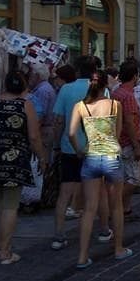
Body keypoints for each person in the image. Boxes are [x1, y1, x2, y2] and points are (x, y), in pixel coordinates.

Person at [0, 71, 45, 265]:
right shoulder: (25, 105)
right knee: (11, 204)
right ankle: (6, 252)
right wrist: (42, 157)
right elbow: (34, 137)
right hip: (13, 160)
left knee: (2, 200)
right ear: (24, 87)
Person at [69, 71, 133, 269]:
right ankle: (118, 248)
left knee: (89, 209)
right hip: (112, 157)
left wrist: (79, 150)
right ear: (106, 85)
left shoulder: (80, 106)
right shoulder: (115, 105)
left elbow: (71, 133)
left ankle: (82, 256)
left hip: (91, 158)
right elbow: (117, 131)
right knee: (116, 207)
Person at [50, 55, 99, 251]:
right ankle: (102, 230)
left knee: (65, 193)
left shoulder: (66, 89)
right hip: (94, 148)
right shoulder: (100, 89)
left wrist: (55, 144)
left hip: (70, 148)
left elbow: (59, 121)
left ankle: (59, 235)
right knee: (95, 194)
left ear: (77, 70)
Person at [112, 61, 140, 223]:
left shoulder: (116, 93)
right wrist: (136, 146)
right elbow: (130, 123)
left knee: (125, 177)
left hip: (117, 140)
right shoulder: (129, 97)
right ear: (134, 76)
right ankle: (115, 205)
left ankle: (125, 209)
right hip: (128, 142)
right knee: (135, 178)